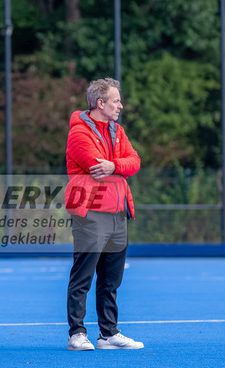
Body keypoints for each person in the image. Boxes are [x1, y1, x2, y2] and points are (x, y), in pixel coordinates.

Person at [65, 77, 143, 351]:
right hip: (90, 213)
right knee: (83, 276)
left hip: (117, 213)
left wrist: (114, 165)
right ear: (101, 103)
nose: (120, 106)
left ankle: (108, 334)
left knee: (111, 279)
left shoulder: (118, 131)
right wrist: (117, 166)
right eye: (116, 101)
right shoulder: (79, 133)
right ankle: (77, 334)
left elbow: (135, 161)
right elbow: (95, 166)